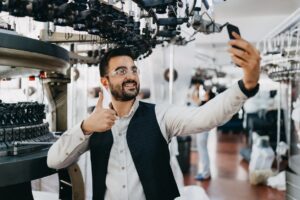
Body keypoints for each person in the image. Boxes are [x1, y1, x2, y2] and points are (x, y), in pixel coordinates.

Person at [47, 32, 261, 200]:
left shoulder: (160, 114)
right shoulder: (93, 122)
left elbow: (205, 117)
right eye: (121, 71)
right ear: (105, 82)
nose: (130, 76)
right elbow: (55, 160)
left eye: (133, 69)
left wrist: (246, 85)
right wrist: (85, 127)